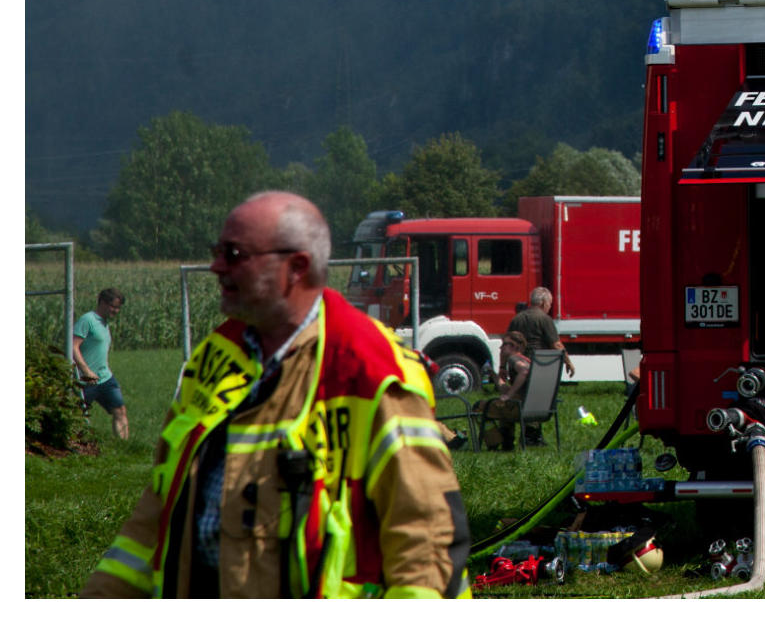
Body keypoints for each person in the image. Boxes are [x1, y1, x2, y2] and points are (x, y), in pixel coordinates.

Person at [83, 191, 470, 598]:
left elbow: (427, 546)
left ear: (296, 268)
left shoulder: (372, 371)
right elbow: (158, 508)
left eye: (234, 254)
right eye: (217, 252)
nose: (216, 266)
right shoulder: (215, 356)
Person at [506, 286, 572, 443]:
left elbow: (506, 345)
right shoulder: (544, 319)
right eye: (550, 304)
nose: (550, 307)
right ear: (543, 303)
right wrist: (569, 362)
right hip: (537, 369)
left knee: (523, 398)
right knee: (536, 399)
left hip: (517, 369)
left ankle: (524, 434)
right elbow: (556, 345)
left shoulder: (517, 319)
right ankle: (532, 435)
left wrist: (502, 368)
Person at [72, 287, 129, 440]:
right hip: (86, 381)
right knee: (76, 417)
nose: (116, 311)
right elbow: (73, 346)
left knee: (120, 411)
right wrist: (86, 371)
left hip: (105, 378)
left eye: (118, 308)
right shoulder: (87, 320)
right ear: (103, 302)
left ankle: (123, 447)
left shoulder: (104, 323)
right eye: (113, 306)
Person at [477, 332, 531, 450]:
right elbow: (509, 390)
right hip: (534, 408)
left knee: (478, 407)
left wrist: (508, 396)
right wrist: (494, 375)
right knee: (502, 404)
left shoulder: (513, 359)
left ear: (515, 346)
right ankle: (507, 443)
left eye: (504, 344)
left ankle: (494, 442)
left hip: (519, 408)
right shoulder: (527, 360)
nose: (501, 348)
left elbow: (524, 371)